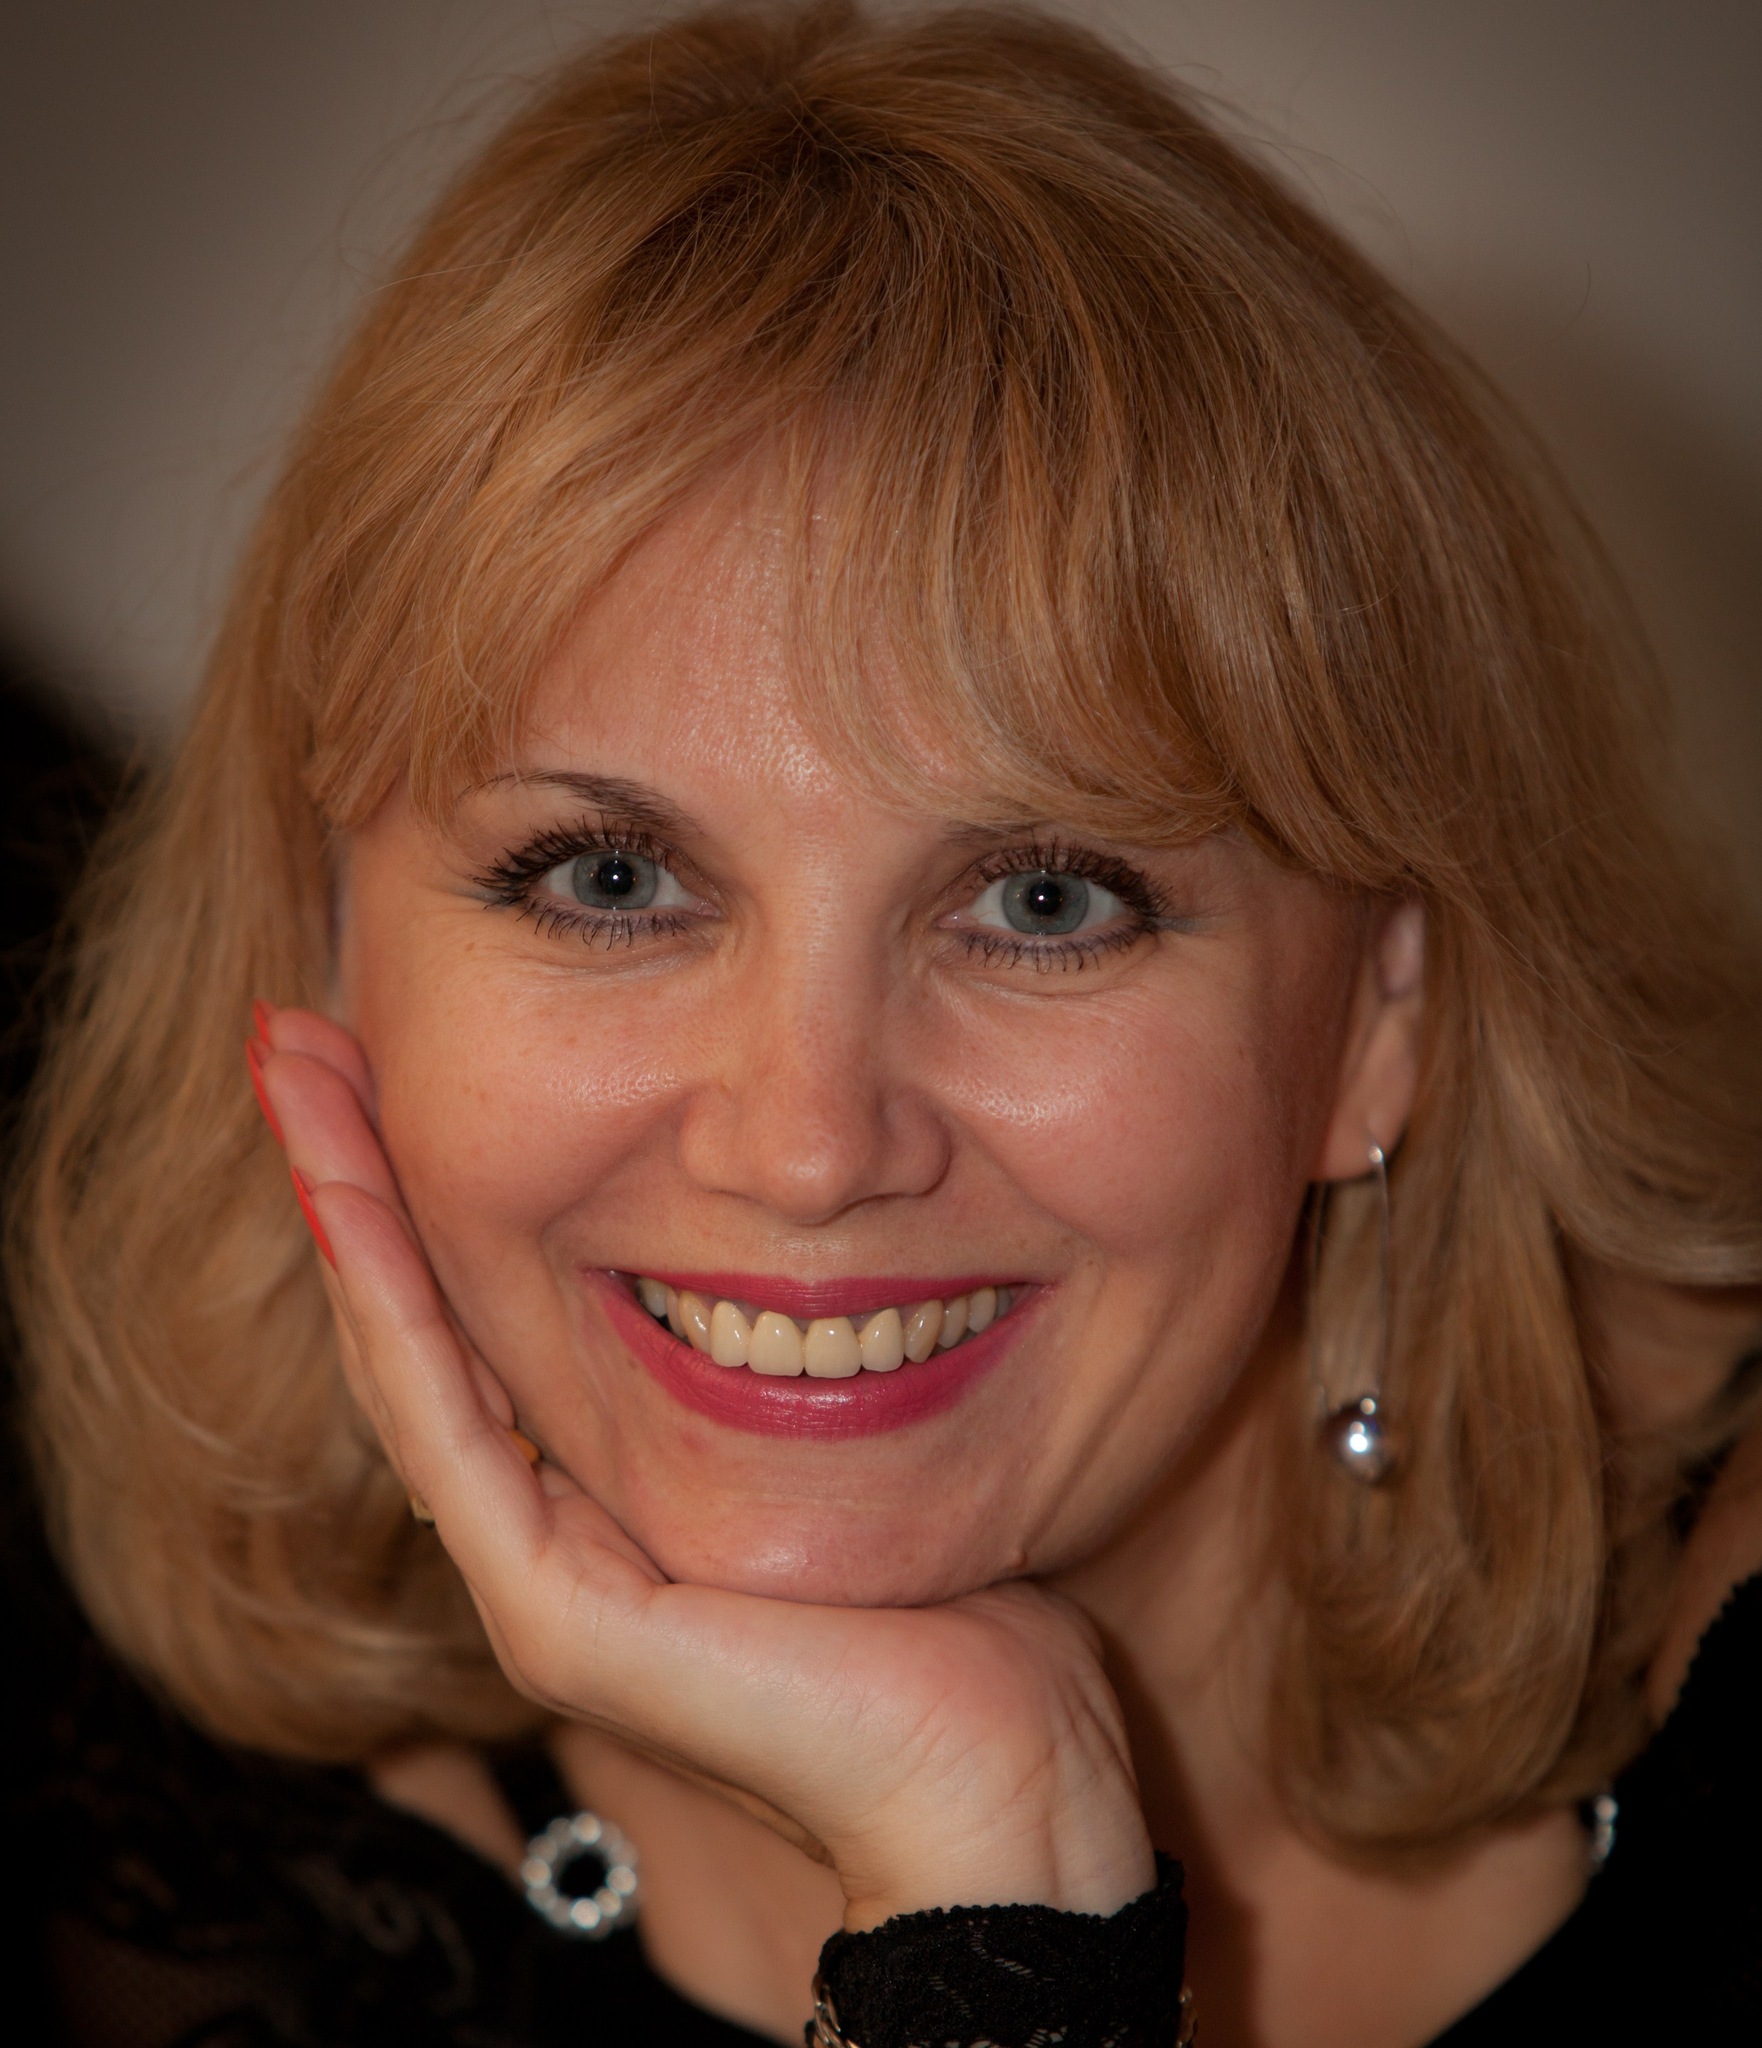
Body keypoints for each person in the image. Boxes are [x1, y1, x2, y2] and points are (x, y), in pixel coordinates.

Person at [10, 4, 1761, 2042]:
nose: (807, 1142)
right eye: (608, 879)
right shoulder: (191, 1897)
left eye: (1041, 900)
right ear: (326, 945)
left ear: (1383, 1013)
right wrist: (982, 1867)